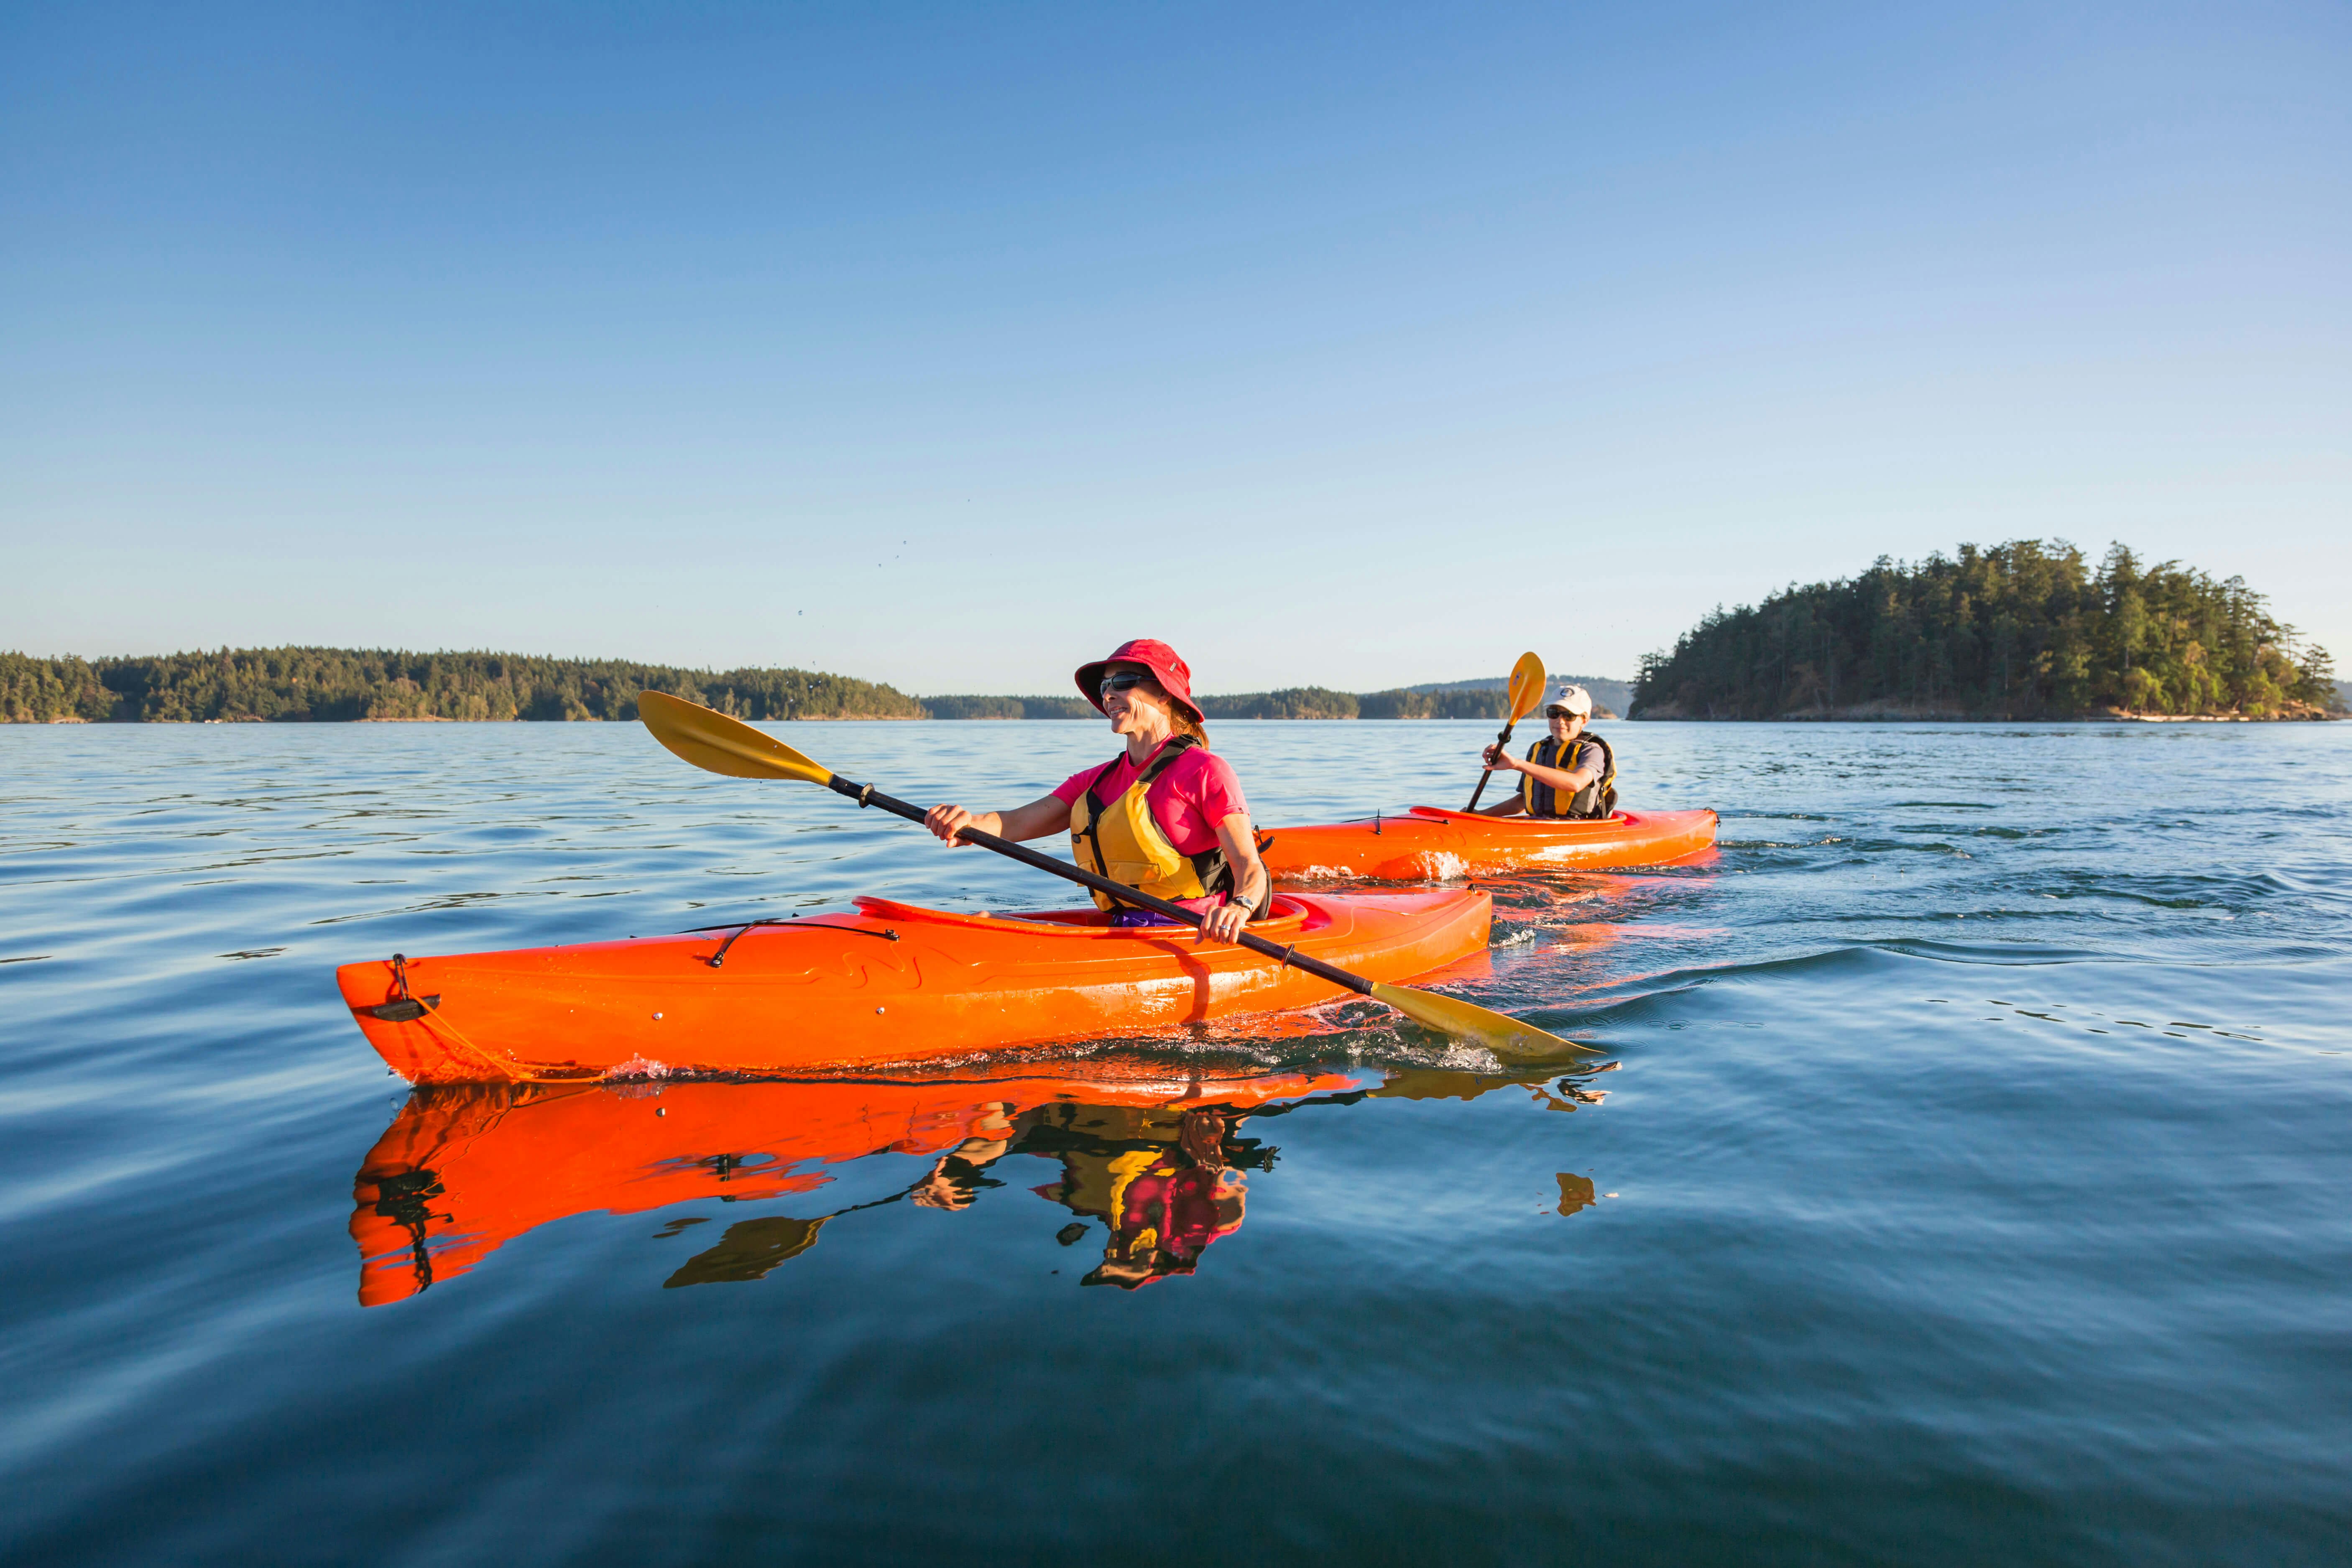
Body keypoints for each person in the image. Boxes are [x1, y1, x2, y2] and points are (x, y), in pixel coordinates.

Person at [922, 638, 1272, 942]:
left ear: (1164, 694)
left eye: (1123, 682)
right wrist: (966, 825)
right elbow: (1013, 824)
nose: (1109, 694)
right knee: (985, 923)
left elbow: (1247, 866)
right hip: (1122, 928)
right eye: (1105, 686)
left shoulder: (1205, 771)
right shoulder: (1092, 783)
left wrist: (1239, 908)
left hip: (1190, 934)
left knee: (988, 924)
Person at [1474, 682, 1618, 820]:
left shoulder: (1592, 751)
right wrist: (1481, 815)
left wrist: (1516, 764)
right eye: (1554, 713)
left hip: (1577, 826)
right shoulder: (1539, 749)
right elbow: (1523, 801)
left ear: (1584, 720)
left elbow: (1576, 784)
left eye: (1569, 715)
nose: (1560, 721)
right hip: (1540, 823)